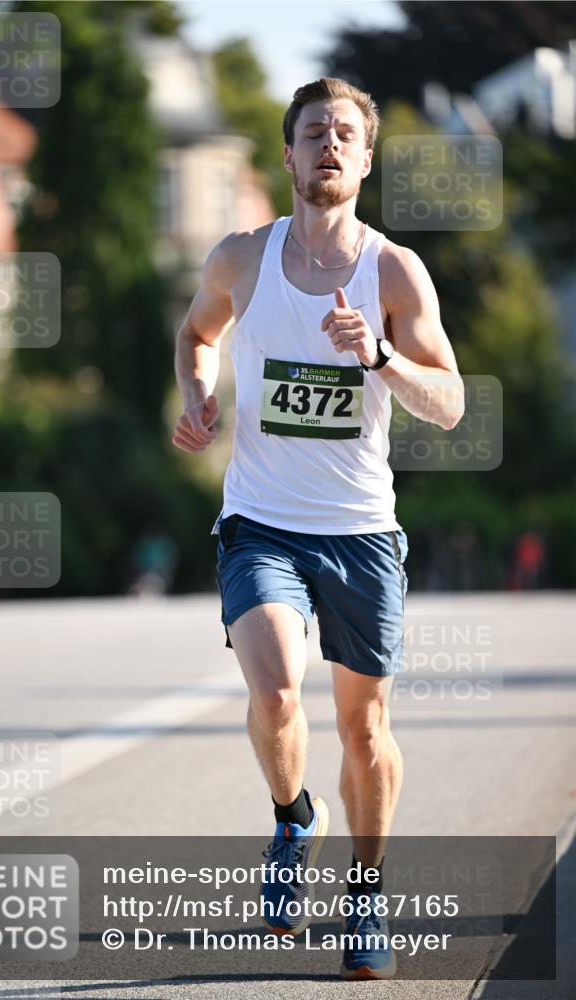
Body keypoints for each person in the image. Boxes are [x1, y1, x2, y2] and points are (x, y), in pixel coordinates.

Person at [172, 77, 464, 980]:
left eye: (345, 134)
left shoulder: (392, 271)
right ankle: (293, 815)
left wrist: (377, 355)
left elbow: (449, 402)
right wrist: (199, 394)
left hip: (360, 532)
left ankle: (367, 895)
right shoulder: (241, 258)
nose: (329, 145)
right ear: (288, 153)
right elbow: (195, 334)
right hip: (259, 521)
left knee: (365, 729)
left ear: (365, 160)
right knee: (273, 693)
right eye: (313, 133)